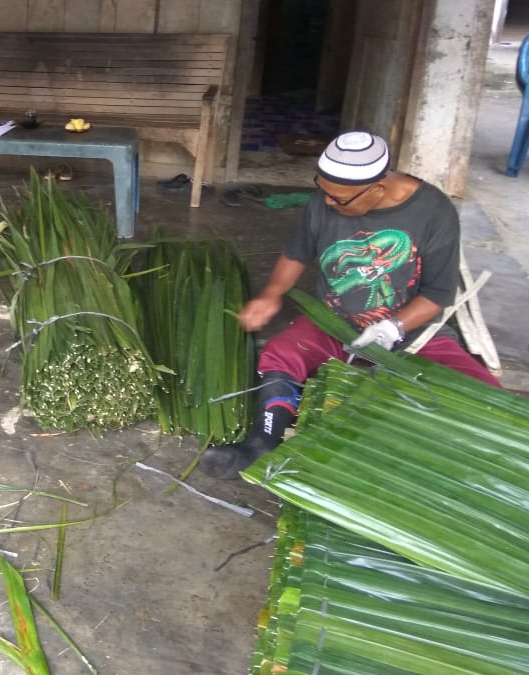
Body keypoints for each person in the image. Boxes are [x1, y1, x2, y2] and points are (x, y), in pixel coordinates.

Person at [200, 130, 501, 480]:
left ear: (377, 189)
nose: (328, 203)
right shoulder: (324, 202)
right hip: (334, 319)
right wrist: (272, 293)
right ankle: (262, 441)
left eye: (339, 199)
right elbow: (296, 254)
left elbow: (438, 293)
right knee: (283, 354)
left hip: (413, 331)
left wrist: (393, 327)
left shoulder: (434, 211)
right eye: (323, 191)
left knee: (482, 389)